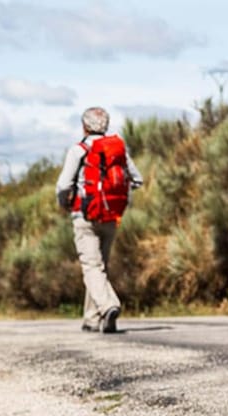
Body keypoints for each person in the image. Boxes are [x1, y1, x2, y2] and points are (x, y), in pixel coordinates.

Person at [55, 106, 143, 334]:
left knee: (91, 267)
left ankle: (108, 306)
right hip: (112, 215)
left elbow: (63, 185)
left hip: (85, 216)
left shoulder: (79, 150)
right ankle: (91, 319)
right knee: (99, 267)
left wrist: (65, 203)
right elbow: (137, 179)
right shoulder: (118, 149)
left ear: (84, 126)